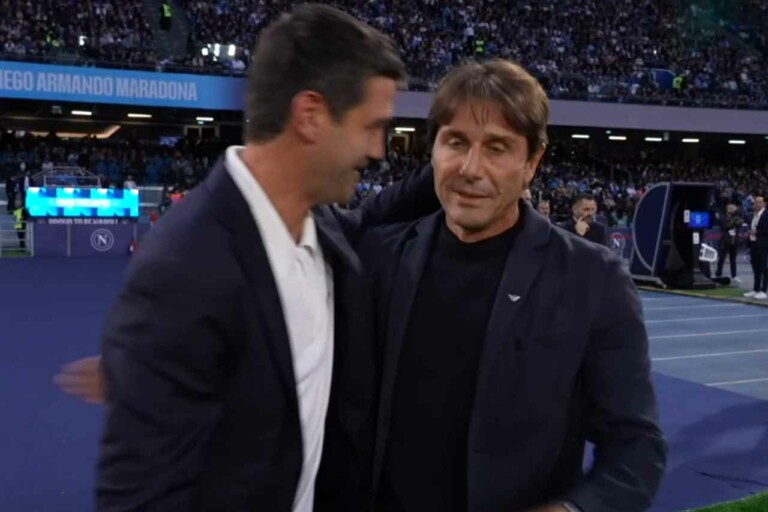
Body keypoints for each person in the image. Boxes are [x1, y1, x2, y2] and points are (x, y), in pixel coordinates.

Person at [57, 5, 437, 512]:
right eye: (372, 126)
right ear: (310, 115)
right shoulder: (183, 273)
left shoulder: (320, 224)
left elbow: (378, 213)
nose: (379, 150)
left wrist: (452, 164)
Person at [357, 60, 666, 512]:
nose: (471, 168)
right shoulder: (380, 257)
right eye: (455, 142)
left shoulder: (592, 278)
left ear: (532, 163)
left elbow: (637, 447)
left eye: (497, 148)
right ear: (433, 150)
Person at [745, 195, 768, 299]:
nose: (757, 204)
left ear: (764, 204)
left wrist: (757, 232)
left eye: (759, 202)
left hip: (763, 245)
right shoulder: (753, 215)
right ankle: (756, 289)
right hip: (753, 244)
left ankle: (764, 290)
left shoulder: (766, 215)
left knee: (764, 268)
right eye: (755, 202)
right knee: (755, 268)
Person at [715, 202, 743, 282]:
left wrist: (736, 222)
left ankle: (734, 275)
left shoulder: (736, 217)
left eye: (733, 208)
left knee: (733, 259)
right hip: (725, 241)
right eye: (730, 208)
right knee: (721, 258)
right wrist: (733, 223)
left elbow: (740, 223)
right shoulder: (723, 217)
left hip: (734, 241)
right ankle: (719, 274)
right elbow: (726, 226)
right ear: (727, 209)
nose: (732, 209)